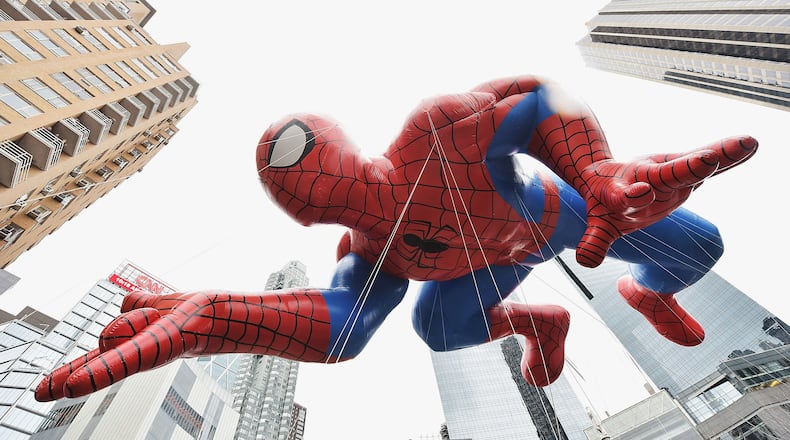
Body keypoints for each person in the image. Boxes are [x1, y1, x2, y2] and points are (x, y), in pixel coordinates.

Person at [36, 76, 757, 401]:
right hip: (492, 270)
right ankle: (544, 319)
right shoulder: (364, 250)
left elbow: (539, 101)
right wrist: (211, 319)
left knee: (700, 245)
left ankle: (647, 292)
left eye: (293, 161)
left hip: (555, 211)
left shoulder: (436, 133)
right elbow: (340, 330)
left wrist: (593, 169)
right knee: (438, 331)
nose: (303, 195)